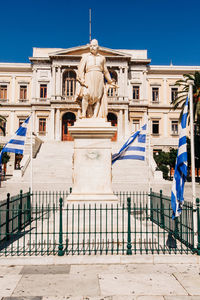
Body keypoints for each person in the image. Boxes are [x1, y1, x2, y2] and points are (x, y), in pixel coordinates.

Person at [75, 39, 118, 118]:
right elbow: (80, 69)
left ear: (98, 47)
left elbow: (105, 71)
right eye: (91, 46)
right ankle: (84, 113)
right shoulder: (85, 56)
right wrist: (82, 79)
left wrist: (110, 81)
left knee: (98, 98)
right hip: (89, 76)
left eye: (94, 46)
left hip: (99, 77)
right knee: (86, 94)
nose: (92, 47)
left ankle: (95, 116)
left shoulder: (102, 58)